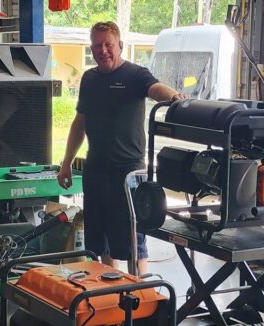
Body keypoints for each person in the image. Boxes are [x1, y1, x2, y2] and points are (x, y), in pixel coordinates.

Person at [57, 21, 187, 276]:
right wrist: (65, 163)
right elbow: (79, 124)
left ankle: (139, 297)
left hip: (128, 172)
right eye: (97, 45)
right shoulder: (89, 79)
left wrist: (174, 98)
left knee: (131, 236)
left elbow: (155, 88)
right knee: (99, 237)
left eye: (108, 44)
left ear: (120, 46)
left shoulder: (136, 75)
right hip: (96, 169)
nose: (102, 50)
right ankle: (108, 293)